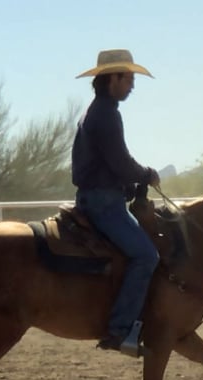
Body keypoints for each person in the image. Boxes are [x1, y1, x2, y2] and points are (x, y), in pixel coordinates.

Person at [72, 49, 161, 357]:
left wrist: (132, 180)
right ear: (114, 78)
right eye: (130, 78)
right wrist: (147, 174)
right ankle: (121, 329)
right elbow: (121, 163)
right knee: (146, 256)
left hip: (97, 197)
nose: (132, 85)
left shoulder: (95, 111)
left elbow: (112, 164)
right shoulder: (107, 114)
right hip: (104, 203)